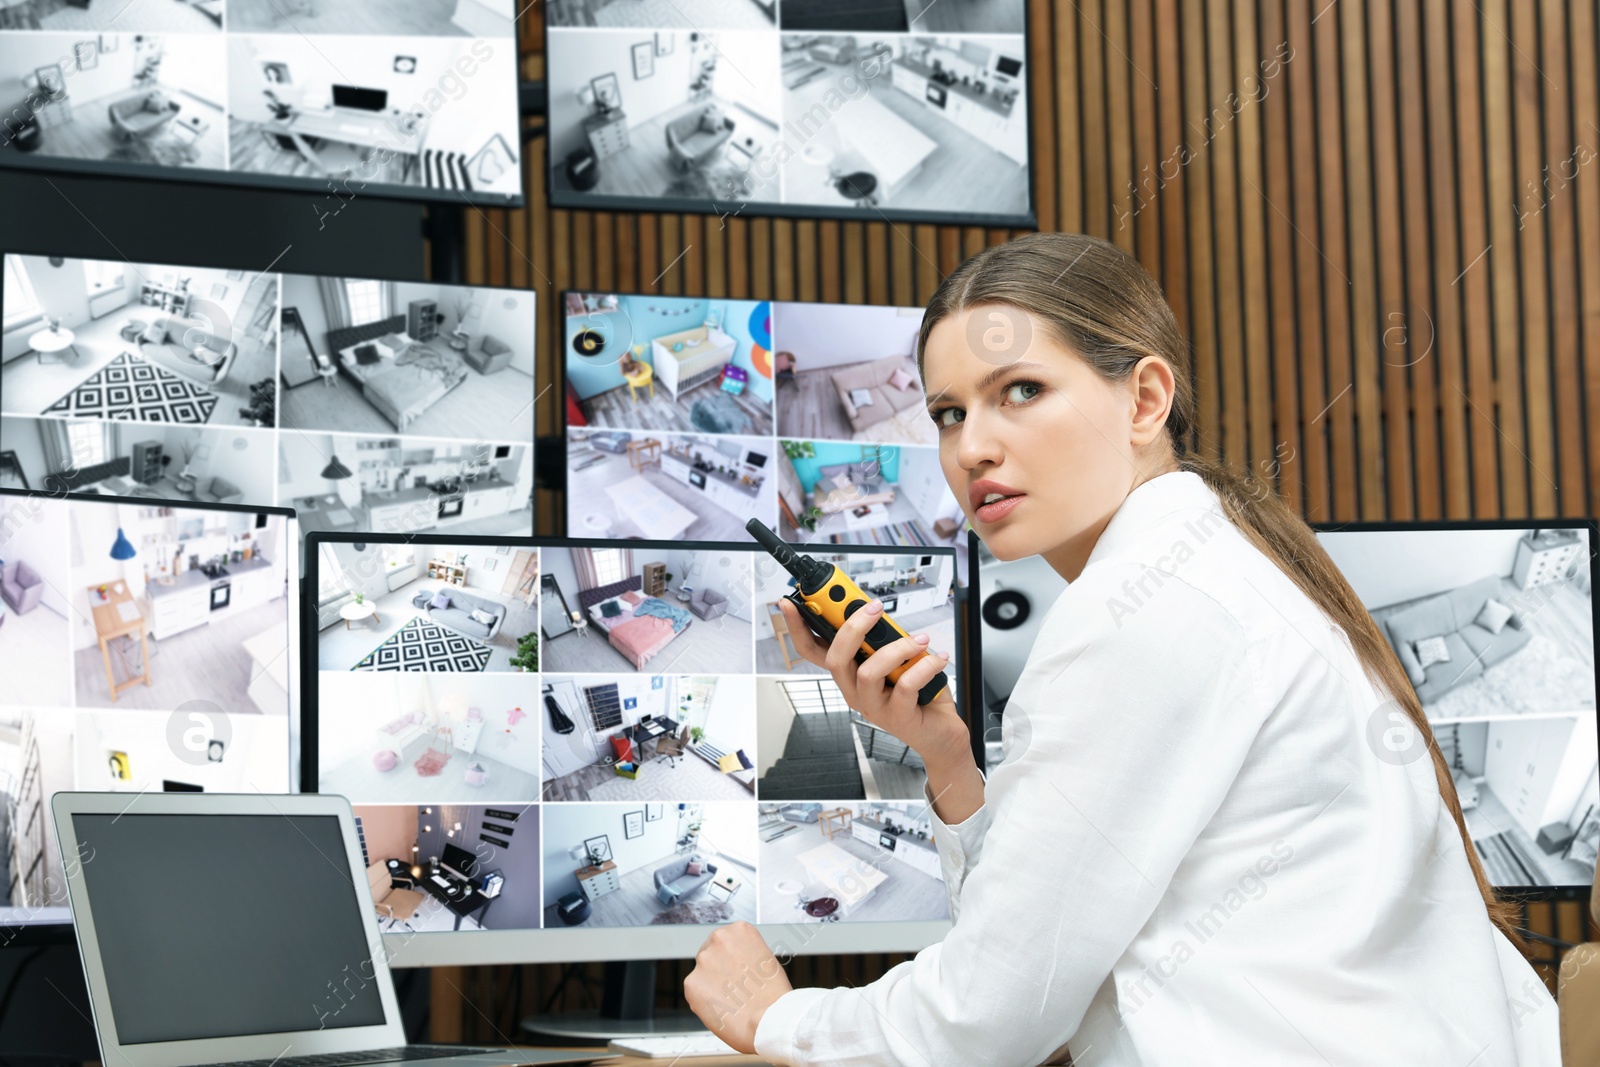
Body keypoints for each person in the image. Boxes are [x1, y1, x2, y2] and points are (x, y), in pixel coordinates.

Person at [683, 233, 1560, 1065]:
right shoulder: (1215, 565)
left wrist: (773, 1013)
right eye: (949, 413)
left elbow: (986, 1022)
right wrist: (947, 756)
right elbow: (1039, 936)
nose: (972, 447)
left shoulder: (1140, 612)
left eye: (1020, 390)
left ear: (1144, 399)